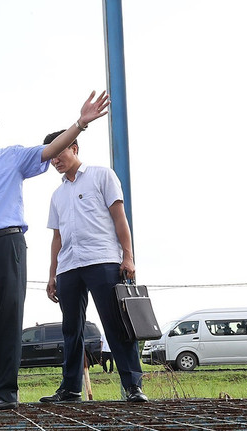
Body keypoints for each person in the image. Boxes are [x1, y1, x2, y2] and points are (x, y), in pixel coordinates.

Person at [0, 93, 110, 411]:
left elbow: (51, 150)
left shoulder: (12, 157)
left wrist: (80, 124)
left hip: (7, 245)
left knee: (6, 316)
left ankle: (6, 391)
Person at [40, 128, 147, 403]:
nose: (55, 160)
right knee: (70, 328)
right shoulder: (57, 195)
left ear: (74, 148)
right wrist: (52, 274)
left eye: (59, 153)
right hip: (68, 266)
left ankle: (133, 386)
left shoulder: (102, 175)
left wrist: (128, 256)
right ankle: (70, 388)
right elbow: (57, 237)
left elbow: (120, 218)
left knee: (116, 324)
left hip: (102, 260)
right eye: (51, 157)